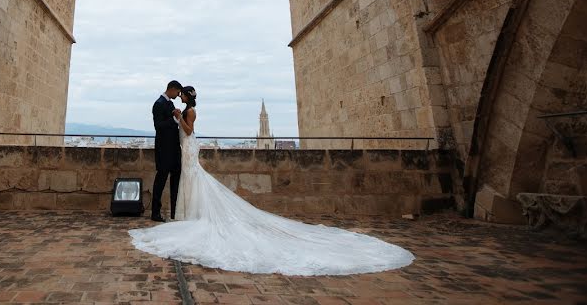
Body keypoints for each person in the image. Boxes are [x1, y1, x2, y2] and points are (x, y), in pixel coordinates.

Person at [130, 86, 415, 276]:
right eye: (178, 96)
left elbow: (189, 131)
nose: (179, 99)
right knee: (190, 182)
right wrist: (176, 118)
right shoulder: (174, 106)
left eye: (182, 96)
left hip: (187, 150)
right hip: (183, 153)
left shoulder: (188, 111)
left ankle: (187, 215)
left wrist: (179, 117)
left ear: (187, 97)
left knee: (192, 182)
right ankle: (184, 214)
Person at [150, 80, 182, 222]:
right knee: (160, 181)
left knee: (175, 181)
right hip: (164, 150)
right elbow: (158, 126)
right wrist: (174, 120)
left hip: (174, 150)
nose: (178, 95)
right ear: (172, 89)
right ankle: (155, 212)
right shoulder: (158, 104)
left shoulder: (169, 103)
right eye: (178, 92)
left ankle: (175, 211)